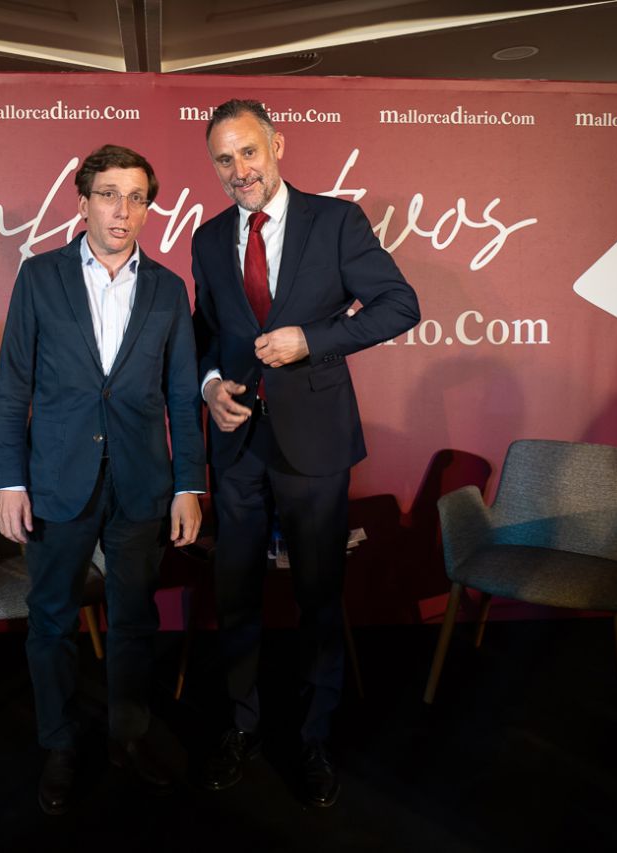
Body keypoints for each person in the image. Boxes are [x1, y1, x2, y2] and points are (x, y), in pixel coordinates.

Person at [191, 99, 420, 807]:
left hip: (315, 439)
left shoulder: (337, 222)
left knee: (319, 595)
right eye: (224, 159)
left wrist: (311, 340)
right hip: (236, 443)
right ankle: (242, 725)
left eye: (248, 152)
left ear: (277, 145)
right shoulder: (208, 238)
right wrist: (208, 385)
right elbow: (205, 331)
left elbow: (400, 304)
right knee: (235, 593)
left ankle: (315, 737)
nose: (239, 171)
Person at [0, 144, 205, 815]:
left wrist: (189, 485)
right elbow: (13, 387)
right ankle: (60, 744)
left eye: (136, 197)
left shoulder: (169, 289)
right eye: (109, 194)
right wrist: (9, 480)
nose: (122, 209)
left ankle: (128, 736)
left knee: (134, 620)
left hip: (142, 483)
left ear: (147, 208)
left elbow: (181, 397)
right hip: (57, 481)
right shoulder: (39, 277)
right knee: (52, 620)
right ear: (83, 202)